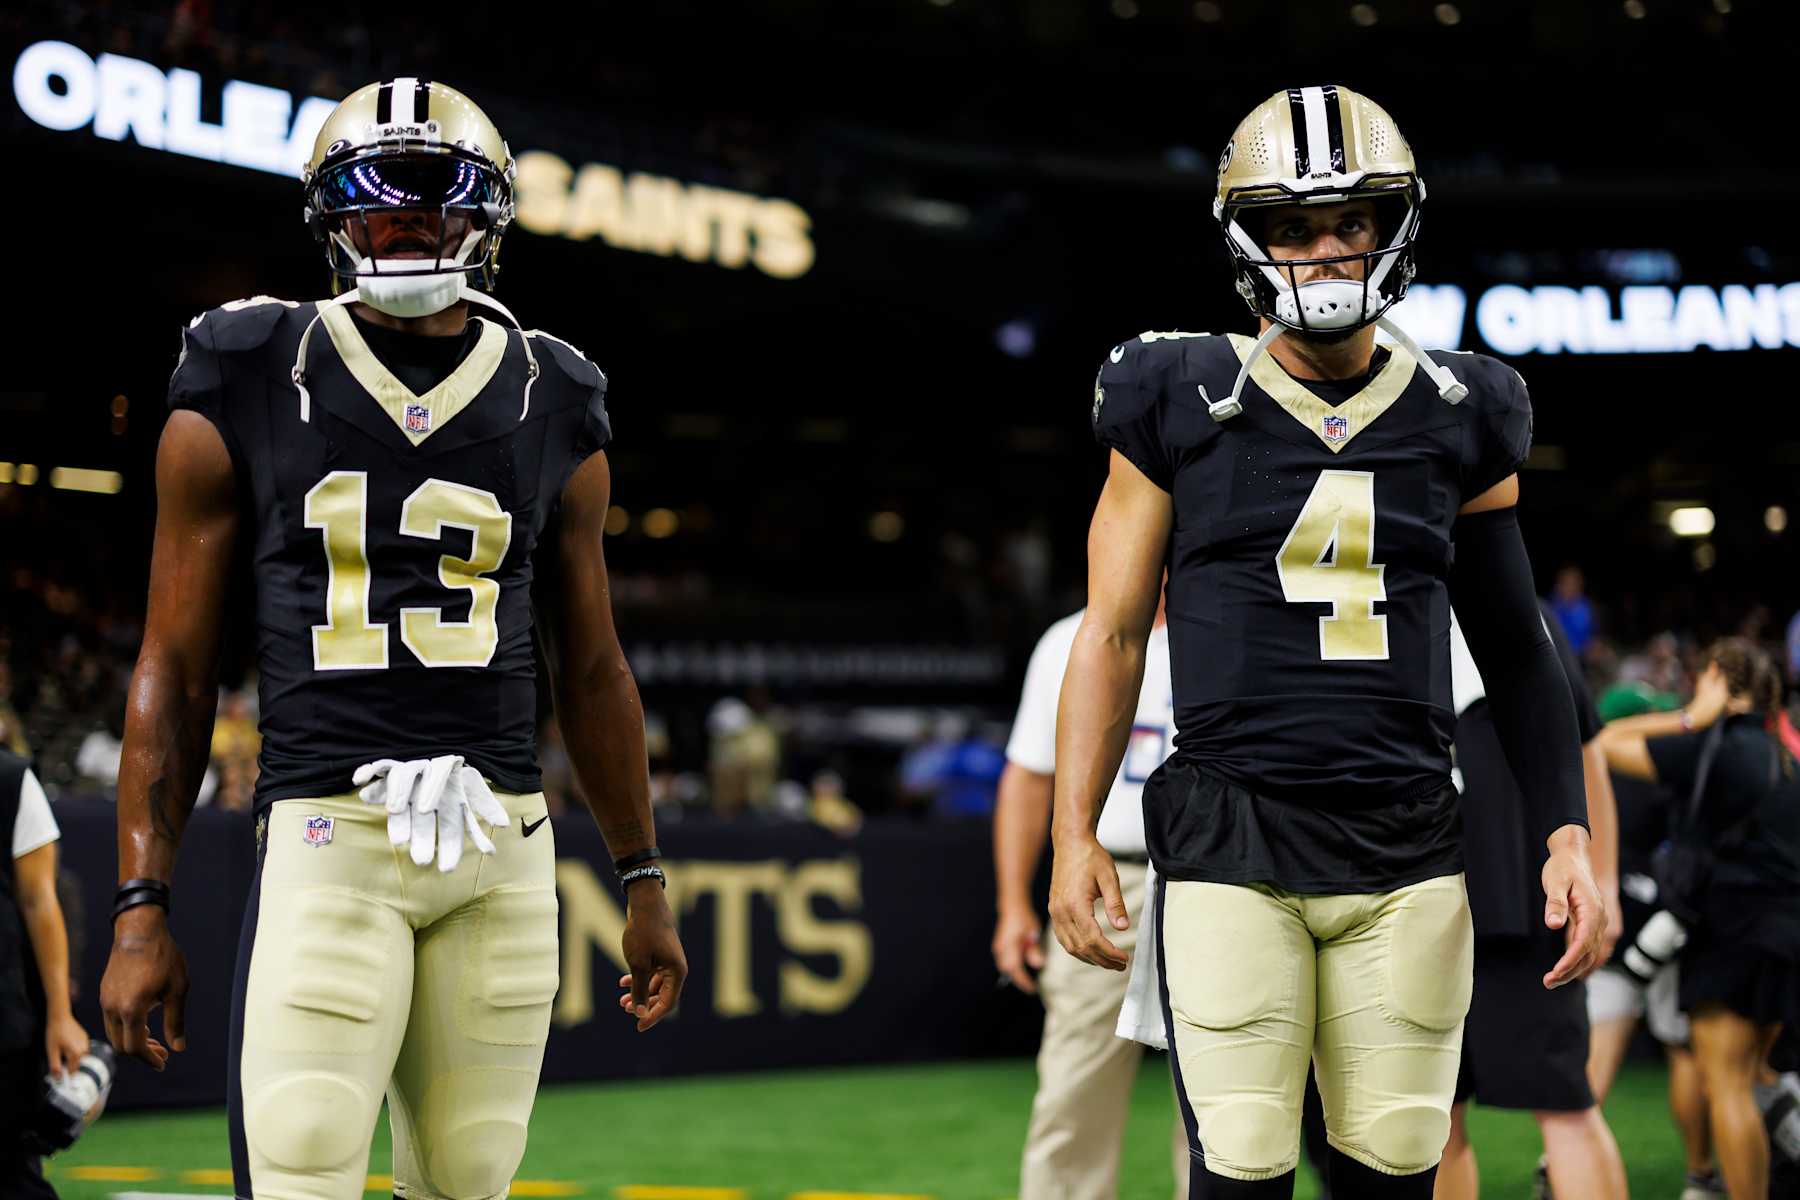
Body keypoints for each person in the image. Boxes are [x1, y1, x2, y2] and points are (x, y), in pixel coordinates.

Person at [97, 80, 687, 1200]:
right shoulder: (250, 365)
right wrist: (141, 903)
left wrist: (641, 872)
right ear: (327, 217)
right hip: (331, 831)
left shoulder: (554, 390)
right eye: (374, 197)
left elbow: (594, 663)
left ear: (492, 214)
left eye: (435, 194)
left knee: (470, 1177)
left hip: (502, 838)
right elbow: (171, 666)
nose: (405, 222)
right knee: (305, 1158)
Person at [1050, 85, 1606, 1200]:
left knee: (1398, 1159)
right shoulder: (1176, 389)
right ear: (1246, 237)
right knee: (1243, 1157)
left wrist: (1567, 832)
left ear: (1396, 221)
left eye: (1353, 220)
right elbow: (1111, 635)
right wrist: (1073, 833)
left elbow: (1516, 643)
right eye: (1293, 226)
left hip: (1406, 840)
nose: (1325, 250)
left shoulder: (1464, 406)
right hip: (1229, 833)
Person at [993, 597, 1188, 1200]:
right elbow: (1028, 775)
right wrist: (1013, 906)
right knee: (1074, 1090)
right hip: (1106, 880)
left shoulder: (1228, 614)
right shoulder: (1067, 640)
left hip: (1217, 874)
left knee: (1225, 1093)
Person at [1595, 638, 1800, 1200]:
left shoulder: (1715, 746)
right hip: (1785, 933)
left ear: (1717, 680)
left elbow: (1608, 742)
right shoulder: (1785, 756)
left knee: (1727, 1084)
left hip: (1730, 931)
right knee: (1755, 1076)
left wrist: (1690, 717)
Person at [1433, 607, 1627, 1200]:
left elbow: (1584, 748)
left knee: (1563, 1102)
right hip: (1417, 896)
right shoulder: (1380, 594)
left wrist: (1605, 880)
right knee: (1427, 1119)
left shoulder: (1509, 602)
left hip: (1526, 900)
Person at [0, 749, 90, 1199]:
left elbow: (41, 900)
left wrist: (60, 1014)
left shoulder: (11, 777)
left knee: (12, 1175)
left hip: (3, 1021)